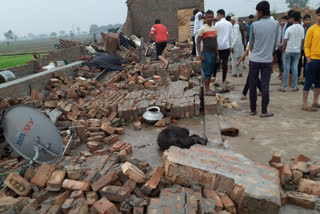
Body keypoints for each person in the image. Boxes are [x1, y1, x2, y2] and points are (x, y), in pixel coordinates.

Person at [248, 1, 279, 117]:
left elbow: (251, 44)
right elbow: (276, 43)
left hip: (254, 59)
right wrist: (269, 53)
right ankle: (264, 111)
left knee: (252, 84)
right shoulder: (275, 24)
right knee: (265, 85)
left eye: (257, 11)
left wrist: (255, 51)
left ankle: (252, 110)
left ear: (261, 11)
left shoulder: (255, 25)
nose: (256, 13)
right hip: (267, 59)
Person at [279, 11, 304, 92]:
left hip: (288, 50)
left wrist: (283, 49)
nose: (289, 19)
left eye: (290, 18)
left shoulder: (289, 28)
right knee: (294, 68)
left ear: (292, 18)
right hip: (297, 51)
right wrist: (300, 51)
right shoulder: (301, 28)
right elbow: (301, 41)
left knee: (286, 68)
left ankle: (283, 87)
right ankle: (294, 86)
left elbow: (285, 40)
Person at [197, 10, 219, 96]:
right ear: (205, 19)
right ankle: (206, 90)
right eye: (207, 17)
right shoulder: (202, 29)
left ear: (213, 17)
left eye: (211, 17)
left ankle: (208, 88)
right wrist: (200, 54)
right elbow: (198, 42)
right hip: (206, 54)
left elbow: (216, 42)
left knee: (210, 72)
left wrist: (217, 54)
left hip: (213, 54)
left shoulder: (214, 28)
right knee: (206, 72)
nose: (209, 19)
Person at [302, 7, 320, 111]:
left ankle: (315, 101)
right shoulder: (312, 29)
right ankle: (304, 103)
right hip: (313, 59)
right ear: (317, 16)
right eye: (319, 14)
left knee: (318, 82)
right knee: (309, 81)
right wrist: (308, 57)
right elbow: (306, 45)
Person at [215, 9, 233, 92]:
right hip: (226, 46)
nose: (216, 17)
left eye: (217, 15)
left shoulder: (217, 24)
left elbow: (215, 36)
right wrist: (231, 46)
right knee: (225, 64)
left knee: (216, 63)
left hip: (218, 47)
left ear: (221, 15)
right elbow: (231, 36)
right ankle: (223, 81)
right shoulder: (229, 24)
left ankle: (214, 79)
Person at [298, 14, 311, 82]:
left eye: (309, 20)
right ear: (303, 20)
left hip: (307, 48)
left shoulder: (310, 28)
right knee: (299, 63)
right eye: (306, 20)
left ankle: (304, 77)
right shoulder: (300, 27)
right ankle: (297, 77)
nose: (308, 21)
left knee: (306, 63)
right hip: (300, 47)